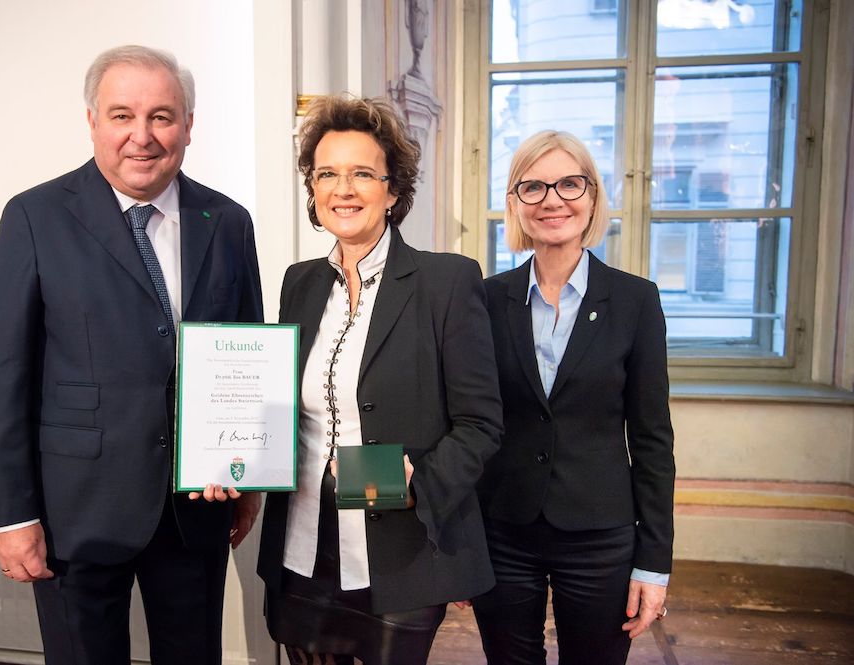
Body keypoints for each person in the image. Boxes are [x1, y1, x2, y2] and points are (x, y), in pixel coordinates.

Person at [0, 45, 263, 665]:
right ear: (92, 122)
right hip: (74, 511)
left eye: (162, 116)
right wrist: (10, 515)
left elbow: (245, 354)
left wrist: (249, 477)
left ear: (188, 124)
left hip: (195, 508)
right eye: (123, 115)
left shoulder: (229, 221)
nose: (143, 136)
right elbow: (1, 375)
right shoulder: (34, 217)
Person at [256, 96, 503, 665]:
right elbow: (283, 410)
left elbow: (481, 424)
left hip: (398, 551)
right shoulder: (299, 284)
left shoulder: (445, 281)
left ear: (393, 192)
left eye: (363, 173)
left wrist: (415, 482)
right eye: (328, 174)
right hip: (302, 545)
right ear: (313, 192)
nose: (344, 189)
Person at [473, 129, 676, 665]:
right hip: (503, 528)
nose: (552, 200)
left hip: (600, 534)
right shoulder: (487, 300)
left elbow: (653, 441)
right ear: (515, 204)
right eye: (533, 187)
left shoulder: (636, 300)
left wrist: (653, 564)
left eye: (569, 183)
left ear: (591, 198)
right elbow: (468, 418)